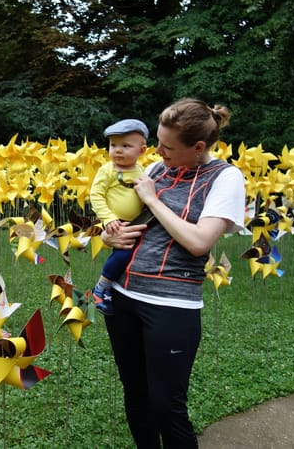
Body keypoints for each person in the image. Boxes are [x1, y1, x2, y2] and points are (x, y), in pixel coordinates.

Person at [100, 98, 245, 448]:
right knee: (136, 393)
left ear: (198, 147)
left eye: (167, 148)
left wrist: (152, 200)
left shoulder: (225, 178)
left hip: (171, 305)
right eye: (159, 145)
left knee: (167, 406)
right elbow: (132, 222)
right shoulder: (155, 170)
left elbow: (199, 242)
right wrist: (109, 234)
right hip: (124, 295)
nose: (158, 153)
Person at [89, 118, 149, 315]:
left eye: (125, 145)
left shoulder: (142, 170)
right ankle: (101, 287)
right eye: (113, 145)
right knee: (124, 252)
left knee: (135, 255)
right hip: (117, 223)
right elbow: (96, 195)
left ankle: (119, 288)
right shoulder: (108, 170)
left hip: (139, 222)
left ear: (142, 151)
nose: (117, 150)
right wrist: (108, 218)